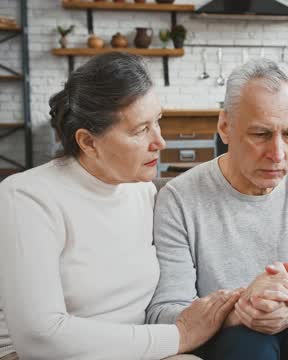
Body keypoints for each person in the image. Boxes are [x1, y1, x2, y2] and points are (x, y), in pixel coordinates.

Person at [0, 52, 239, 360]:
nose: (159, 141)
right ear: (88, 142)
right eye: (141, 130)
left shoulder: (143, 192)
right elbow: (39, 338)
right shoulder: (27, 198)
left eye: (158, 122)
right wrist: (179, 335)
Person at [146, 58, 288, 360]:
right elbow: (164, 313)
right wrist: (245, 307)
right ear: (225, 126)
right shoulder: (179, 198)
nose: (278, 153)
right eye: (261, 134)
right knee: (249, 343)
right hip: (229, 338)